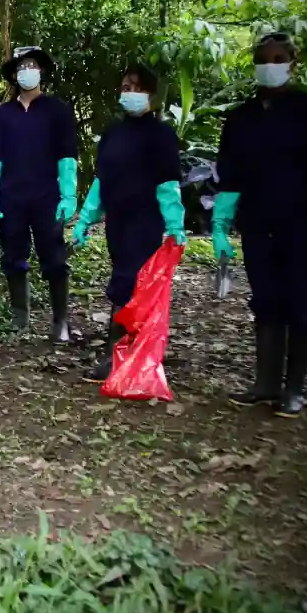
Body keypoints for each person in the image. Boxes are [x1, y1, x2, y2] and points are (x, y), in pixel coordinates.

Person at [211, 32, 307, 417]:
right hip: (257, 224)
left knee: (302, 305)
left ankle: (295, 388)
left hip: (301, 224)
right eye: (263, 59)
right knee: (266, 301)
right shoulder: (241, 118)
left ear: (292, 63)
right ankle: (266, 383)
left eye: (278, 58)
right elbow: (230, 175)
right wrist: (220, 226)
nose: (270, 65)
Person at [72, 64, 186, 383]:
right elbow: (101, 182)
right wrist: (85, 219)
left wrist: (175, 226)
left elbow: (168, 185)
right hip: (117, 222)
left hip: (146, 221)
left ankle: (125, 357)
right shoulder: (113, 133)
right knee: (124, 282)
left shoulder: (161, 135)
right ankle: (123, 354)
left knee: (131, 284)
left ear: (151, 95)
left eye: (136, 87)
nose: (130, 93)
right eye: (125, 86)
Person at [0, 45, 79, 341]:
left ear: (41, 72)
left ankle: (60, 320)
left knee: (53, 257)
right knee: (13, 255)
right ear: (14, 74)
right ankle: (19, 317)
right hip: (12, 196)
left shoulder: (57, 111)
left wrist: (68, 195)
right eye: (23, 66)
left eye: (33, 65)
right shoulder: (3, 115)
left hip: (46, 196)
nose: (28, 71)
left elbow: (67, 157)